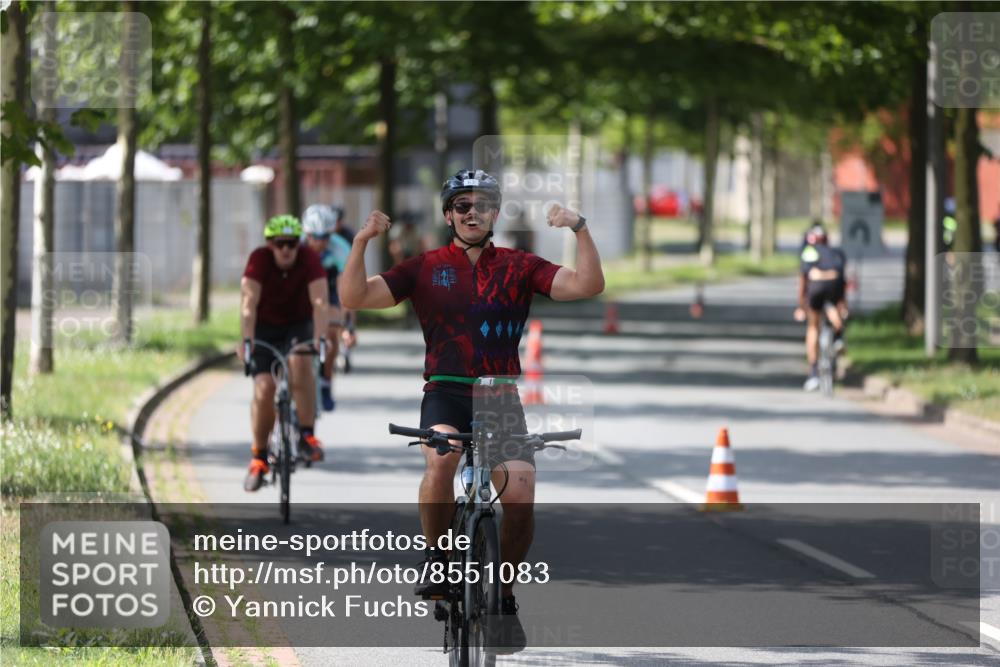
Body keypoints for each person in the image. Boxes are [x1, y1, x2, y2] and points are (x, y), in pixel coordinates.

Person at [340, 168, 605, 650]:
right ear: (448, 214)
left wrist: (579, 227)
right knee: (440, 458)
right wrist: (361, 243)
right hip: (445, 390)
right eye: (462, 205)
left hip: (500, 396)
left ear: (495, 214)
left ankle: (502, 595)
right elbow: (354, 296)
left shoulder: (519, 265)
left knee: (521, 494)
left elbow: (588, 285)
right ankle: (437, 557)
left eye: (483, 205)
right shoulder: (425, 266)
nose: (472, 213)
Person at [237, 214, 329, 492]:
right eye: (280, 244)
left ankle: (307, 435)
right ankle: (259, 458)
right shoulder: (259, 259)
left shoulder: (308, 258)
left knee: (300, 361)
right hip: (264, 327)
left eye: (292, 243)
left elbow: (321, 302)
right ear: (269, 244)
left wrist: (320, 338)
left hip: (297, 325)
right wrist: (246, 340)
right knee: (264, 387)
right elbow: (248, 303)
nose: (286, 250)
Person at [302, 204, 357, 411]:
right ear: (306, 233)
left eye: (325, 237)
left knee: (331, 333)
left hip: (331, 290)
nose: (319, 242)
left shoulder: (340, 248)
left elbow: (347, 292)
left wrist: (348, 326)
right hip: (303, 289)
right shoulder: (296, 245)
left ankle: (325, 382)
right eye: (314, 237)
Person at [794, 222, 848, 392]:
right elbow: (843, 281)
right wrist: (843, 304)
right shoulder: (837, 253)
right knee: (832, 307)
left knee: (813, 326)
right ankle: (838, 336)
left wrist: (801, 306)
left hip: (816, 286)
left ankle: (813, 373)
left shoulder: (809, 252)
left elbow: (803, 280)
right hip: (835, 285)